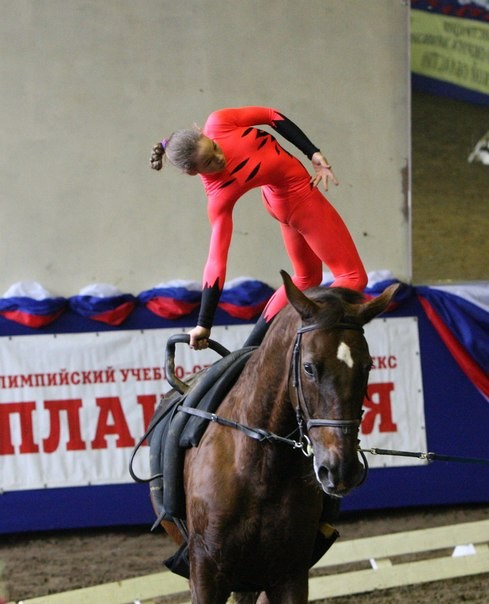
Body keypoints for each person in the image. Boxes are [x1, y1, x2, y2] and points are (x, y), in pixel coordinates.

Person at [150, 106, 367, 349]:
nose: (219, 157)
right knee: (353, 277)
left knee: (306, 279)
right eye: (209, 162)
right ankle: (309, 330)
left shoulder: (220, 122)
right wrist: (204, 323)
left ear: (204, 133)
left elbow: (271, 116)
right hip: (299, 199)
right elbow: (216, 260)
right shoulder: (218, 194)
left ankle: (251, 349)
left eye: (214, 147)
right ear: (194, 172)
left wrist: (312, 152)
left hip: (281, 198)